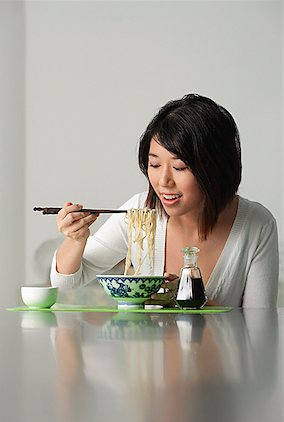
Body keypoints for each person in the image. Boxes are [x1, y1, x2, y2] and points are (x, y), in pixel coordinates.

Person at [50, 93, 279, 307]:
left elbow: (258, 328)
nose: (163, 181)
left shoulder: (256, 224)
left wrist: (181, 299)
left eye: (180, 167)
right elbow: (66, 282)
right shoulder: (141, 211)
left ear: (215, 168)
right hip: (148, 350)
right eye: (155, 165)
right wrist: (75, 239)